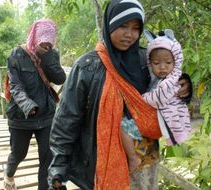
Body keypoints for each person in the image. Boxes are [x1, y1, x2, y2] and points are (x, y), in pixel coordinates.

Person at [48, 0, 192, 189]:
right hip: (101, 162)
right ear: (110, 24)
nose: (129, 34)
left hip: (144, 161)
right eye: (123, 25)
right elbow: (66, 120)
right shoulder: (87, 67)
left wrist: (185, 87)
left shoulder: (147, 61)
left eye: (135, 28)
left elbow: (168, 88)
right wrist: (58, 169)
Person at [3, 19, 66, 190]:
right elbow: (15, 86)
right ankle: (9, 173)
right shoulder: (17, 54)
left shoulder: (51, 55)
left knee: (47, 158)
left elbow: (60, 78)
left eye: (48, 41)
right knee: (18, 153)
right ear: (34, 36)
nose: (45, 44)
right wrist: (27, 105)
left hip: (46, 116)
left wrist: (47, 58)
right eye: (42, 40)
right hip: (21, 117)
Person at [121, 29, 192, 175]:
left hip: (153, 126)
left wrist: (138, 100)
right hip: (152, 124)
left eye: (167, 62)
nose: (162, 67)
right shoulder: (158, 76)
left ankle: (133, 158)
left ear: (176, 61)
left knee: (123, 126)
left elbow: (158, 98)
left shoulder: (172, 79)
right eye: (156, 63)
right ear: (150, 63)